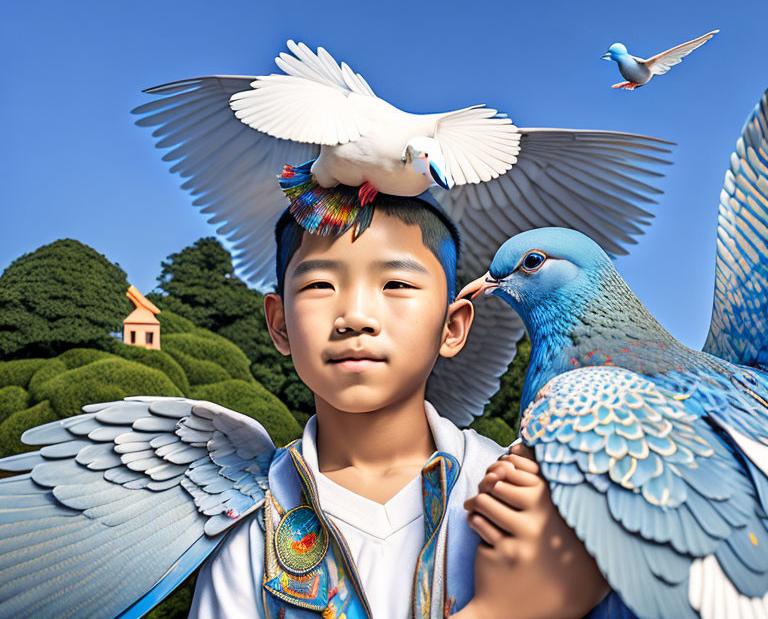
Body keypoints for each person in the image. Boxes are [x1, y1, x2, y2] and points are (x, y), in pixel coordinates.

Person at [189, 194, 609, 619]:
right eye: (320, 285)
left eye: (396, 284)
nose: (355, 316)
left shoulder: (525, 495)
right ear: (279, 324)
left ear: (453, 326)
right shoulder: (251, 519)